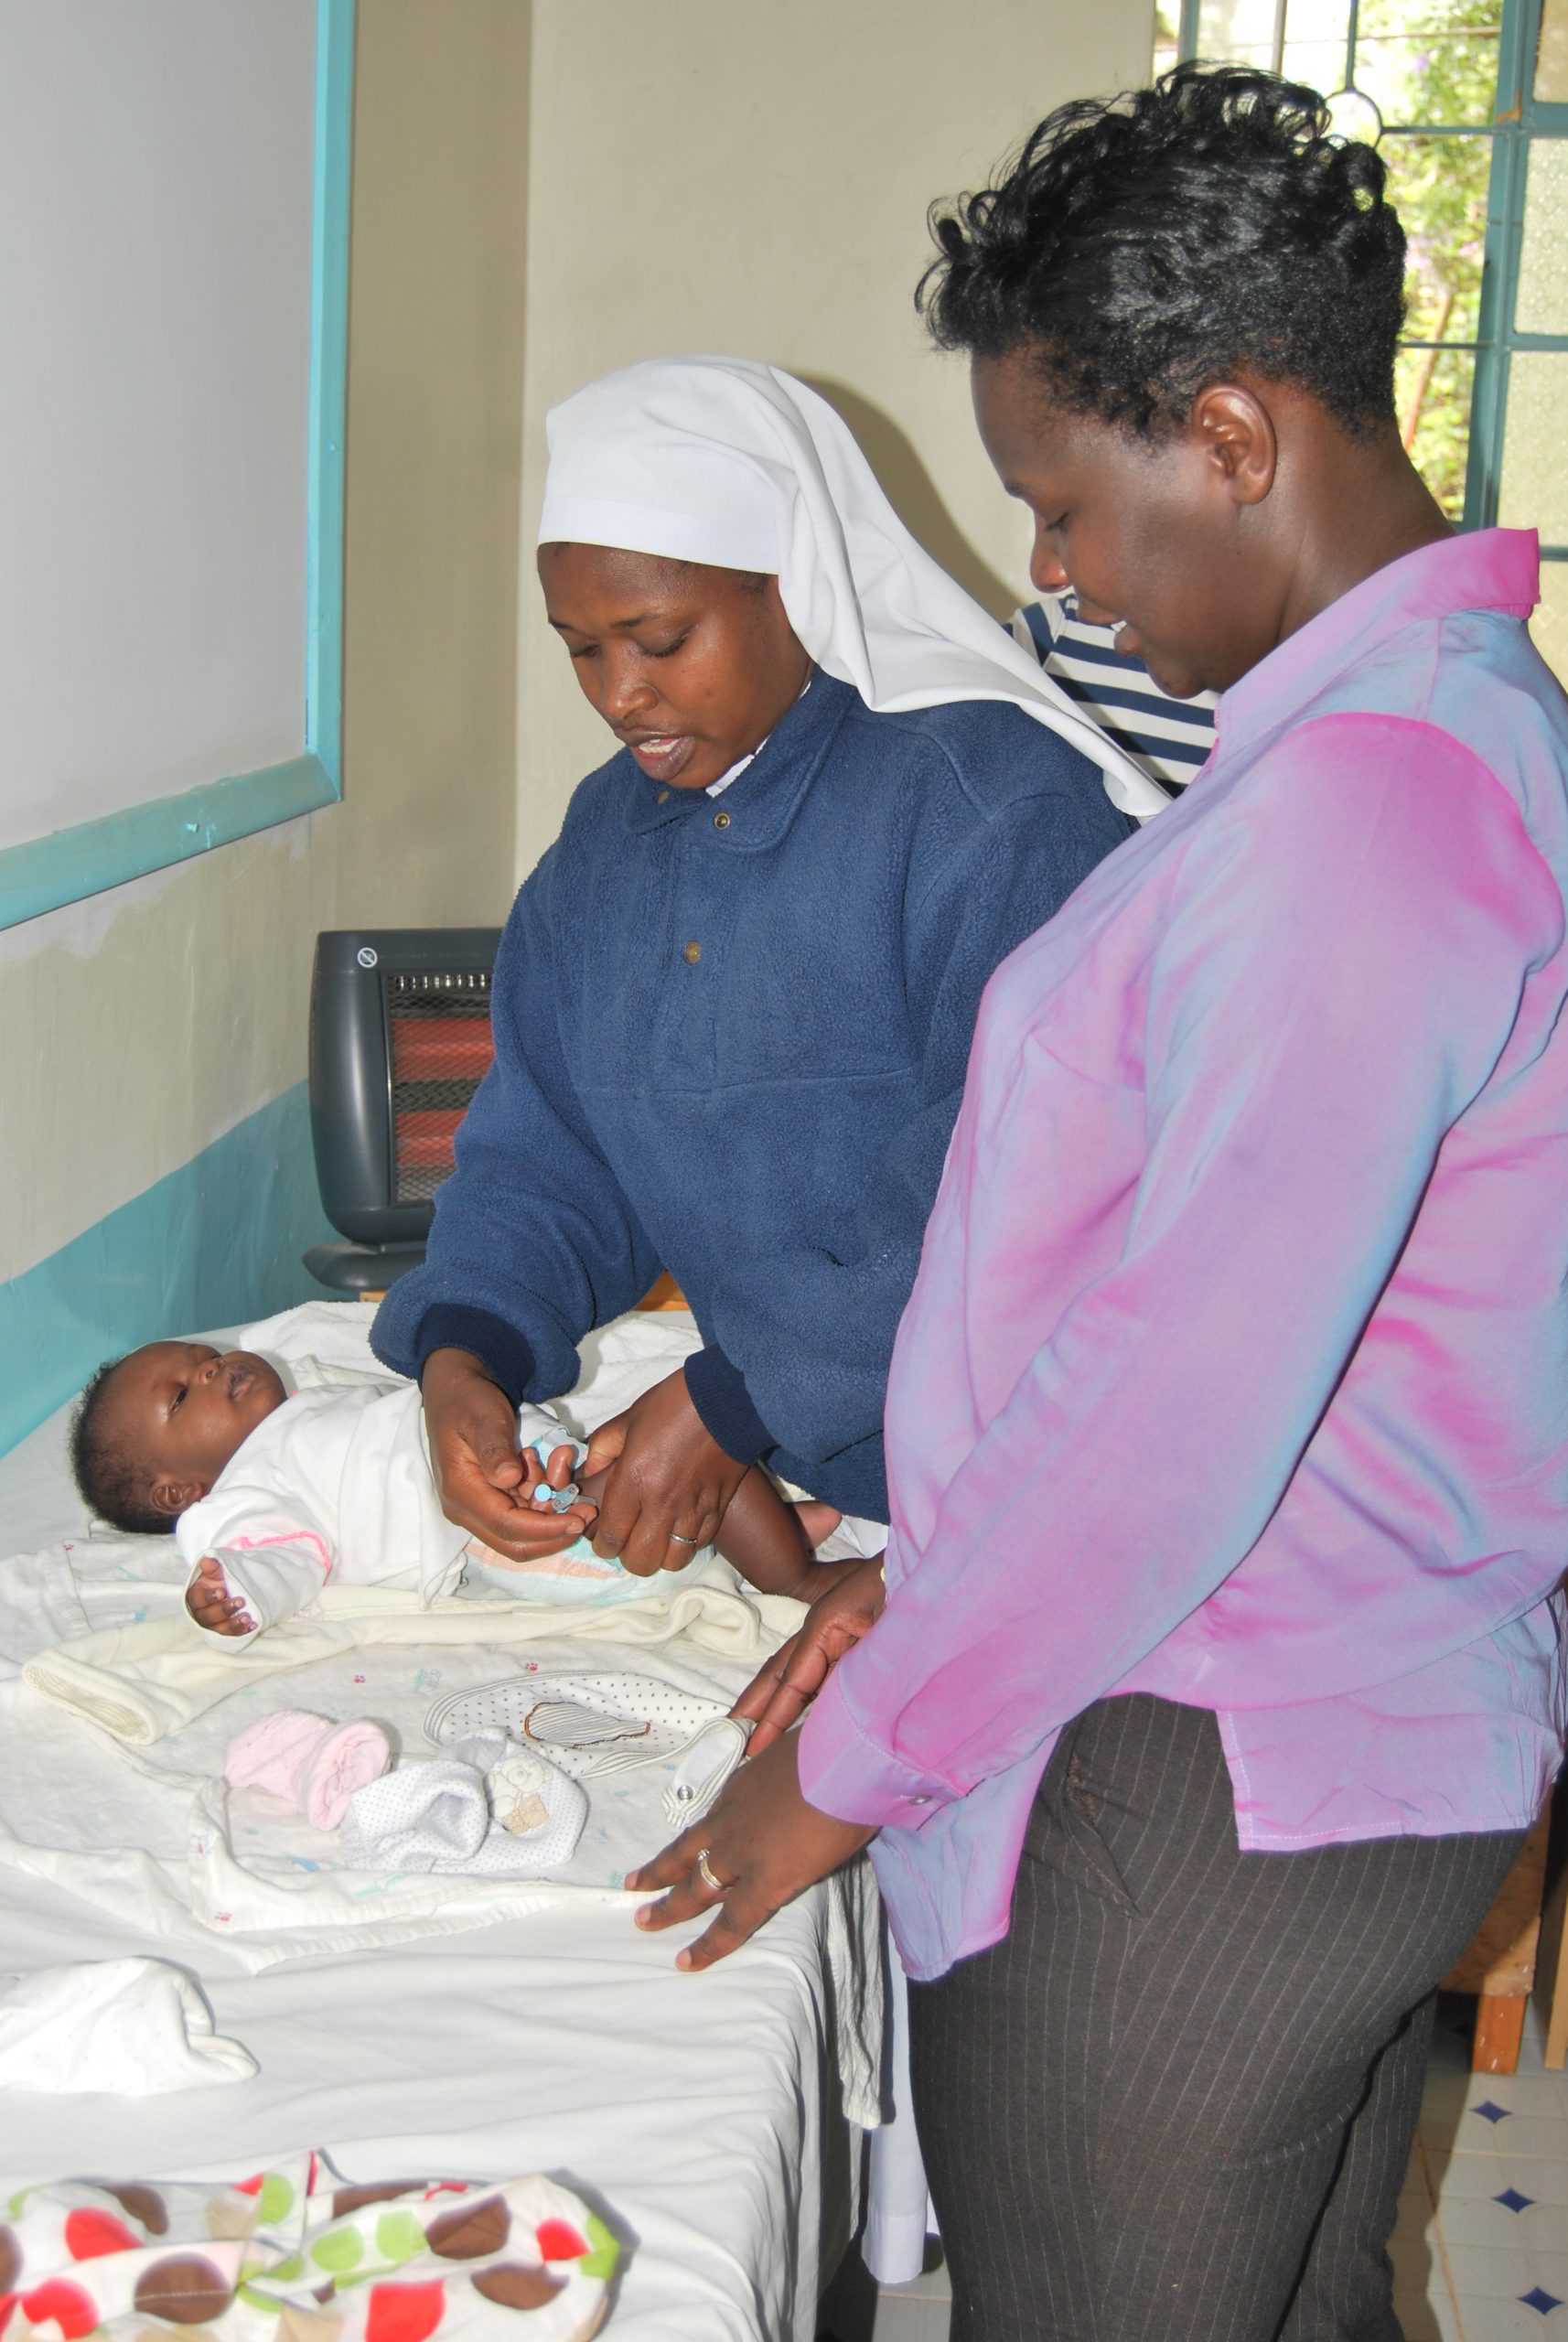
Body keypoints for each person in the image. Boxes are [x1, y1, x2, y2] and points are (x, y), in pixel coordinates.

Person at [628, 70, 1568, 2342]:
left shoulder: (1362, 805)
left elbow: (1172, 1402)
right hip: (1304, 1712)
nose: (1046, 568)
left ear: (1228, 439)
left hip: (1202, 1767)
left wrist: (846, 1776)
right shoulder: (1413, 732)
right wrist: (923, 1572)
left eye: (1058, 499)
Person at [370, 357, 1155, 1585]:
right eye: (581, 651)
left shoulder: (989, 811)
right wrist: (466, 1351)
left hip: (1035, 1489)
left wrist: (737, 1398)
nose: (621, 697)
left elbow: (1027, 1188)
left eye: (660, 640)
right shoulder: (602, 851)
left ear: (800, 588)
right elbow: (549, 1148)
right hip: (803, 1470)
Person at [69, 1335, 845, 1642]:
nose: (208, 1368)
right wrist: (239, 1589)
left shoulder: (309, 1405)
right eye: (181, 1396)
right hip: (502, 1529)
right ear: (179, 1494)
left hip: (539, 1465)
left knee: (682, 1457)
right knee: (681, 1475)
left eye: (201, 1354)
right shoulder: (242, 1496)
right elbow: (284, 1556)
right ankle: (797, 1576)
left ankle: (767, 1534)